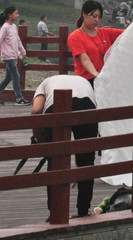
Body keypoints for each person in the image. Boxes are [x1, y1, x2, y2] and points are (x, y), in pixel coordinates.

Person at [31, 74, 97, 218]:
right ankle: (83, 210)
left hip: (56, 107)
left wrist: (39, 138)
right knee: (86, 162)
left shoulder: (44, 83)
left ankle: (55, 211)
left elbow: (36, 111)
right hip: (87, 105)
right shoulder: (83, 81)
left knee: (54, 162)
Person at [67, 0, 133, 86]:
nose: (97, 20)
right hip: (87, 81)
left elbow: (129, 32)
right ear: (84, 14)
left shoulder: (106, 32)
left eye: (99, 17)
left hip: (107, 79)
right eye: (94, 16)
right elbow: (85, 59)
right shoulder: (75, 37)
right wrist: (96, 74)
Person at [0, 6, 29, 105]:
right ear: (10, 15)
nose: (17, 15)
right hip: (8, 56)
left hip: (13, 56)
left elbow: (18, 41)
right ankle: (19, 98)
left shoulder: (14, 27)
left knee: (8, 77)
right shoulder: (5, 27)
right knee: (16, 76)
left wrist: (23, 52)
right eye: (16, 13)